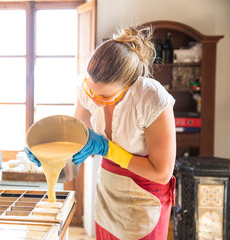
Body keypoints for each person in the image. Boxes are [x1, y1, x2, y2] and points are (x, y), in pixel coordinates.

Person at [26, 25, 176, 240]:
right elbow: (75, 136)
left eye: (105, 96)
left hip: (145, 196)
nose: (94, 100)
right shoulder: (88, 89)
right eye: (90, 91)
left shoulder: (151, 99)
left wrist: (107, 148)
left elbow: (161, 173)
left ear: (129, 86)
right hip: (108, 190)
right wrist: (41, 149)